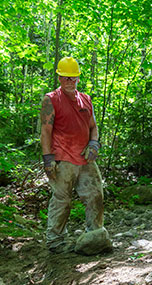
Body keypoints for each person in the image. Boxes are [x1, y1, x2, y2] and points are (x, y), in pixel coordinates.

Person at [40, 57, 104, 253]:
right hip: (62, 158)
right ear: (59, 77)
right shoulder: (51, 99)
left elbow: (93, 127)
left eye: (73, 78)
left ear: (78, 78)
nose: (70, 81)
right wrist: (48, 159)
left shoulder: (85, 99)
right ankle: (56, 241)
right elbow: (45, 132)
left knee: (95, 195)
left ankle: (95, 236)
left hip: (85, 158)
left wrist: (94, 143)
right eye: (66, 77)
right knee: (62, 200)